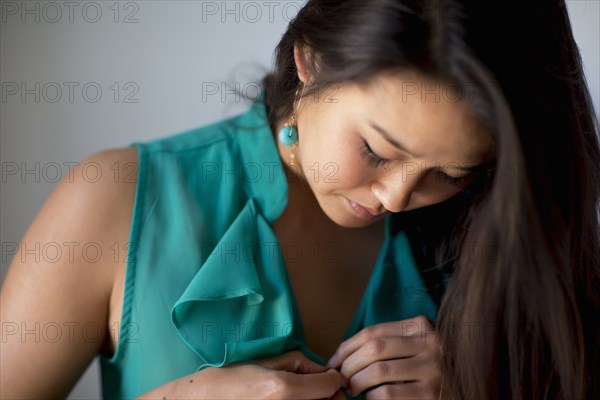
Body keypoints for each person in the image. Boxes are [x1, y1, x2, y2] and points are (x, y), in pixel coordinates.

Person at [2, 0, 599, 399]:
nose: (397, 196)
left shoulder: (500, 232)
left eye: (450, 173)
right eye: (377, 148)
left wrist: (480, 383)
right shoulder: (116, 199)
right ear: (310, 62)